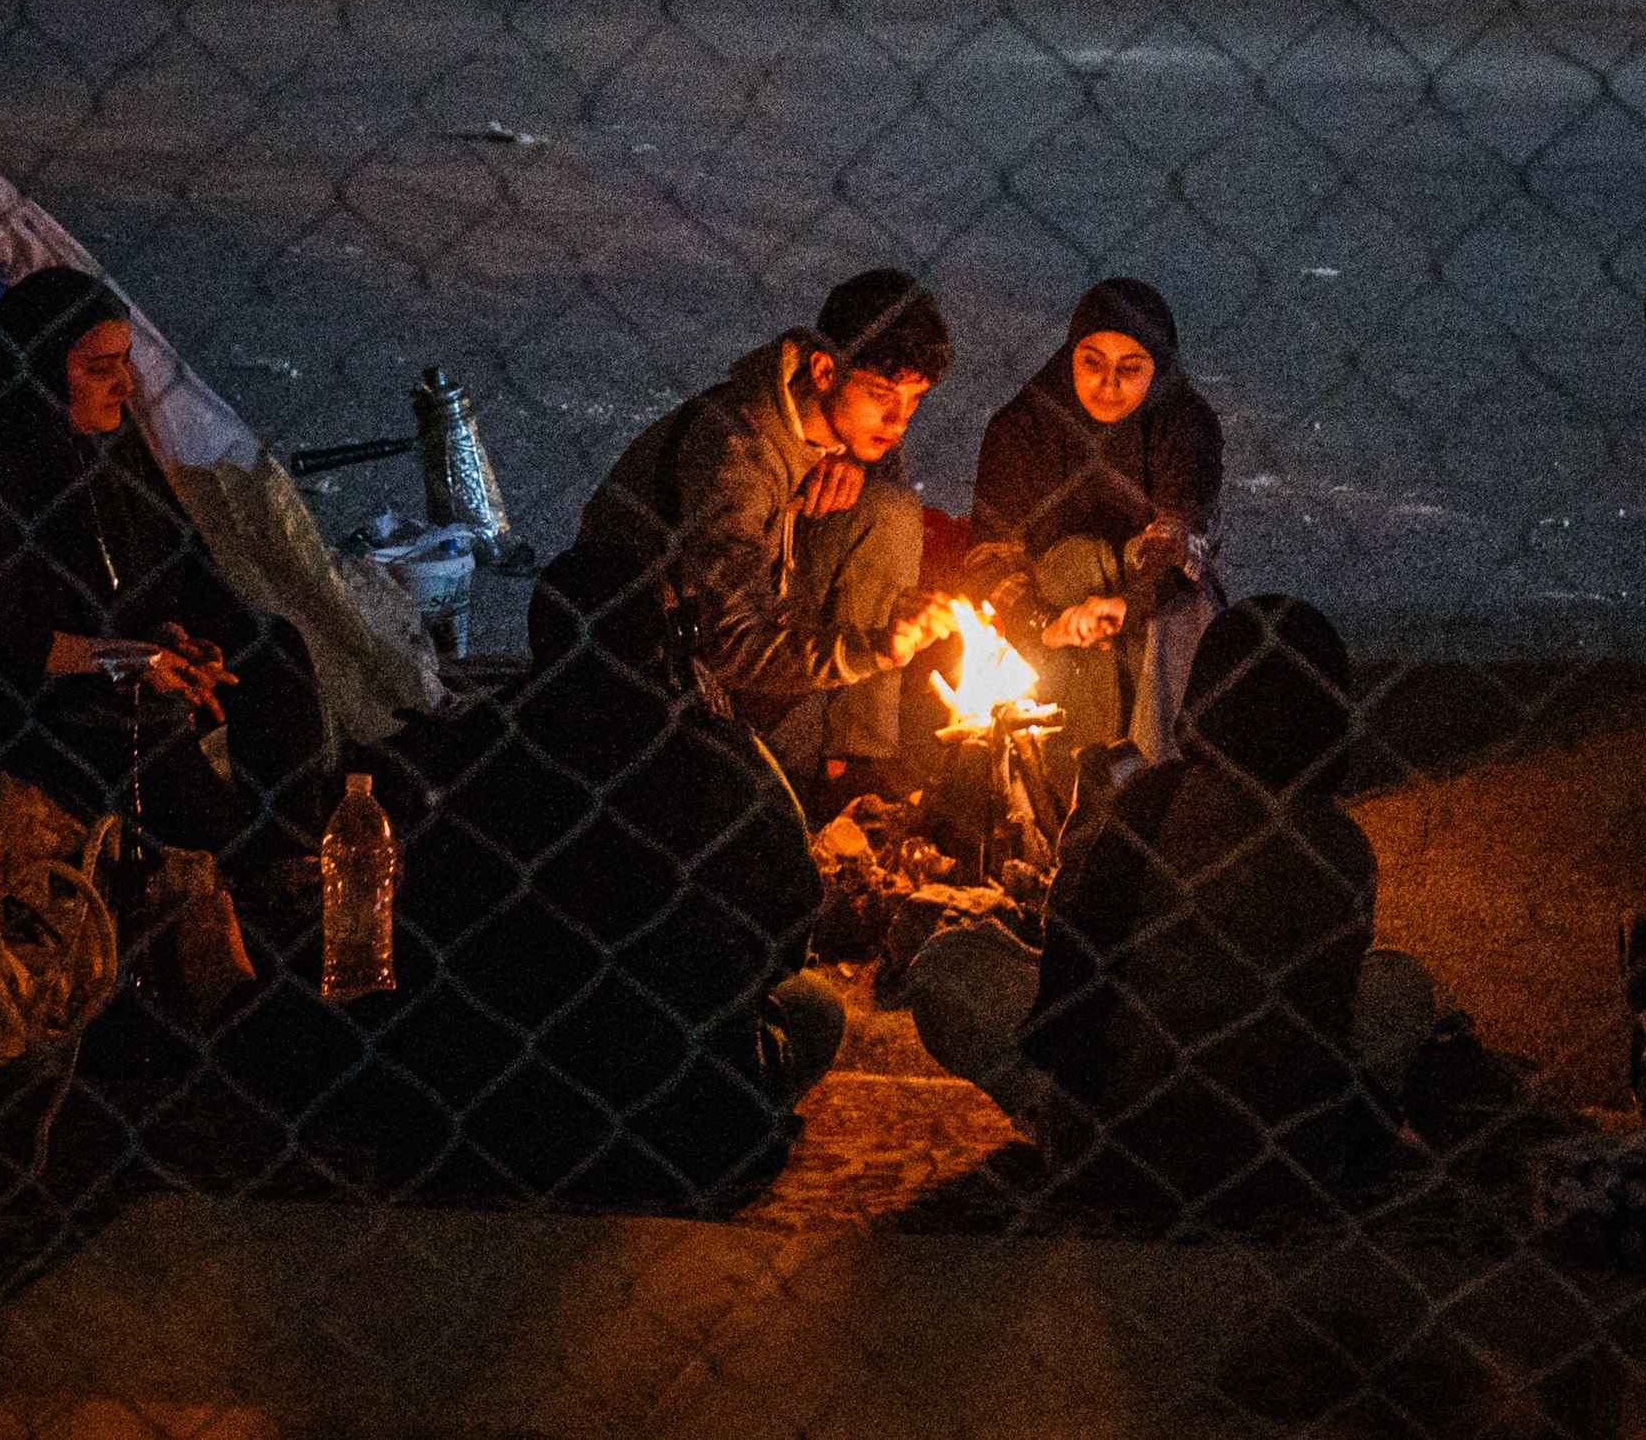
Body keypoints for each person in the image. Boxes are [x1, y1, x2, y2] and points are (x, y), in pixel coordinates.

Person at [902, 595, 1432, 1222]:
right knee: (1402, 984)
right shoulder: (1344, 846)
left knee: (950, 960)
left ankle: (1054, 1124)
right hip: (1284, 1157)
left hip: (1120, 1148)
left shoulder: (1153, 805)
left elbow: (1071, 965)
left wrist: (1087, 827)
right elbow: (1331, 997)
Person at [358, 542, 843, 1206]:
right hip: (682, 1125)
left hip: (496, 1115)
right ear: (668, 640)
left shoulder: (474, 749)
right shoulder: (720, 754)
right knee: (816, 1008)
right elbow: (792, 919)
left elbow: (421, 926)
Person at [0, 267, 324, 867]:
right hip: (43, 688)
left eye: (124, 361)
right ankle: (232, 869)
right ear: (38, 370)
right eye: (98, 369)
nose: (123, 384)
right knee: (150, 747)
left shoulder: (99, 439)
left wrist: (172, 635)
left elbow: (161, 560)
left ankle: (299, 853)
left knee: (274, 652)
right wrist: (133, 660)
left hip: (123, 653)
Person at [573, 269, 965, 803]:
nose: (899, 420)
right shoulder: (736, 457)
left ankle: (853, 764)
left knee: (890, 511)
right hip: (660, 657)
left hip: (762, 592)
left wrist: (856, 458)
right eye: (881, 394)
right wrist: (876, 648)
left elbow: (882, 463)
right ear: (824, 370)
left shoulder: (842, 425)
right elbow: (732, 644)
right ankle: (786, 773)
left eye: (914, 399)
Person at [962, 277, 1222, 763]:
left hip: (1152, 591)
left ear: (1159, 369)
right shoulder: (1022, 428)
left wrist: (1131, 603)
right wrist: (1041, 621)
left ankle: (1157, 769)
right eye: (1092, 363)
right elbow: (989, 554)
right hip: (1050, 599)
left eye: (1130, 368)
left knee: (1184, 603)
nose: (1109, 384)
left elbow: (1183, 537)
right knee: (1076, 562)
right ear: (1070, 358)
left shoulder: (1184, 425)